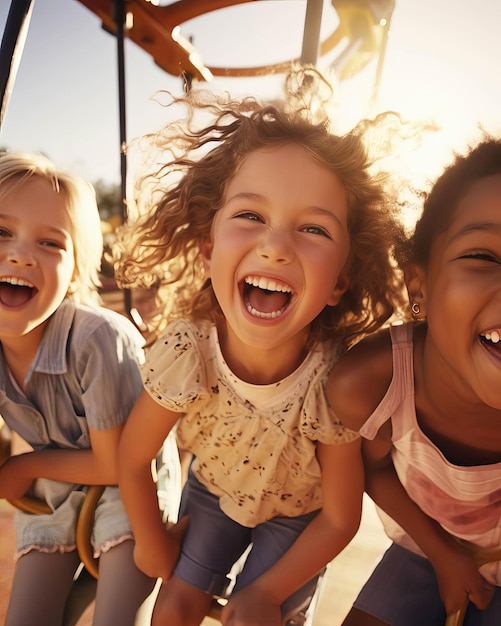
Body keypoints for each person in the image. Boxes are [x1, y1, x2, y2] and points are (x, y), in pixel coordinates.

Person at [113, 69, 406, 626]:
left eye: (313, 229)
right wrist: (150, 538)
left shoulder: (332, 378)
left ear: (341, 279)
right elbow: (134, 455)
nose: (274, 247)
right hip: (213, 495)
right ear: (207, 248)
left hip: (300, 518)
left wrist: (267, 593)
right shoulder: (190, 351)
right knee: (171, 610)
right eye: (250, 216)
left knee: (253, 618)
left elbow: (340, 520)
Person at [328, 137, 501, 626]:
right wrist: (444, 556)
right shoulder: (373, 384)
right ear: (419, 287)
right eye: (484, 257)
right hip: (425, 547)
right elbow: (376, 471)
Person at [0, 151, 162, 626]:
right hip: (58, 487)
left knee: (116, 615)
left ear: (74, 272)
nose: (20, 253)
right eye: (1, 232)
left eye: (51, 243)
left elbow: (118, 463)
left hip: (132, 487)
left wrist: (24, 465)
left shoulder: (96, 339)